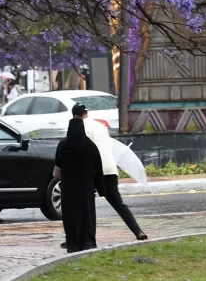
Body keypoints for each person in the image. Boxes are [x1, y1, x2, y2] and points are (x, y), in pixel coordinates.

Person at [72, 104, 147, 242]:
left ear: (75, 116)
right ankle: (138, 231)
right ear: (86, 113)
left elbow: (81, 150)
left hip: (92, 171)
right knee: (118, 203)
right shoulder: (101, 127)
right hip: (110, 169)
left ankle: (80, 237)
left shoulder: (80, 127)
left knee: (84, 204)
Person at [54, 118, 104, 253]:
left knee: (71, 216)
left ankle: (73, 244)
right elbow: (98, 168)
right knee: (86, 214)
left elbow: (58, 164)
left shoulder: (63, 145)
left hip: (68, 188)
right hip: (86, 188)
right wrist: (101, 188)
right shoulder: (90, 146)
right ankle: (87, 242)